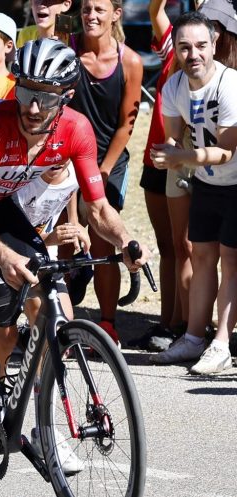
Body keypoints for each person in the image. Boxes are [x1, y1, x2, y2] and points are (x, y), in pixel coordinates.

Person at [0, 39, 144, 431]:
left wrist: (125, 240)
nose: (33, 108)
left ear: (67, 96)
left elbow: (97, 207)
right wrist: (6, 257)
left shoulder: (77, 130)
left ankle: (44, 428)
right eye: (24, 92)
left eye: (46, 97)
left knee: (48, 310)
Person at [149, 12, 236, 374]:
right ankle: (194, 337)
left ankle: (222, 344)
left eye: (201, 46)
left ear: (215, 44)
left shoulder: (230, 85)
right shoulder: (173, 88)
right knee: (202, 259)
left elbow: (227, 150)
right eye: (184, 47)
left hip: (235, 184)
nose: (193, 54)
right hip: (207, 184)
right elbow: (172, 135)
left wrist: (180, 157)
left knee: (231, 262)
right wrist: (164, 155)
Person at [67, 0, 143, 344]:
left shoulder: (130, 61)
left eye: (99, 9)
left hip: (108, 162)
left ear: (115, 14)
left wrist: (102, 169)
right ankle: (62, 323)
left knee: (103, 241)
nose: (91, 16)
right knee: (66, 238)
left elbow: (127, 125)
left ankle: (108, 323)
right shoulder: (67, 52)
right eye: (86, 9)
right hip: (66, 160)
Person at [137, 0, 189, 352]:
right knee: (167, 248)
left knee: (185, 247)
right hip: (154, 157)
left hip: (184, 162)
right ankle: (167, 323)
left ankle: (186, 325)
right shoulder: (172, 50)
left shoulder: (212, 64)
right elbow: (156, 11)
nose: (191, 47)